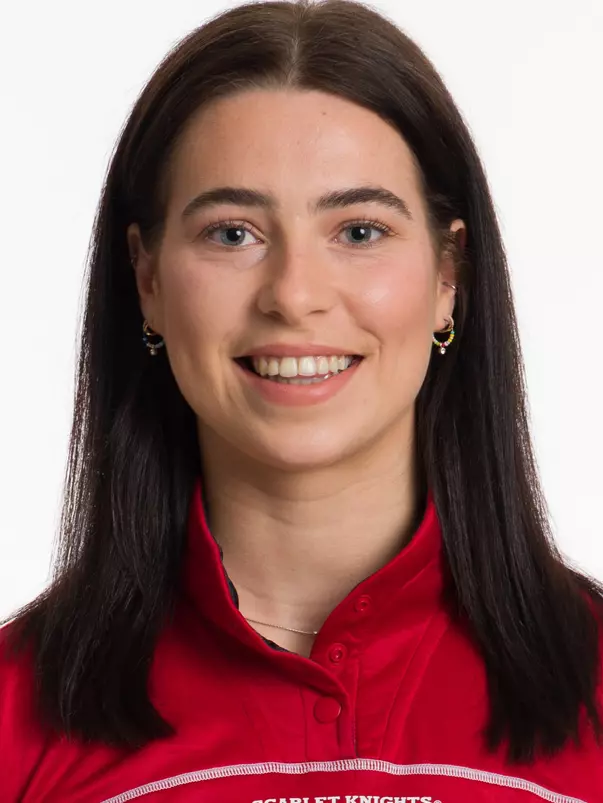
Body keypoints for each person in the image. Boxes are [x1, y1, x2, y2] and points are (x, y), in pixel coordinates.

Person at [1, 0, 602, 800]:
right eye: (232, 232)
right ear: (146, 278)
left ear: (449, 275)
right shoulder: (14, 717)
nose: (293, 294)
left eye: (358, 231)